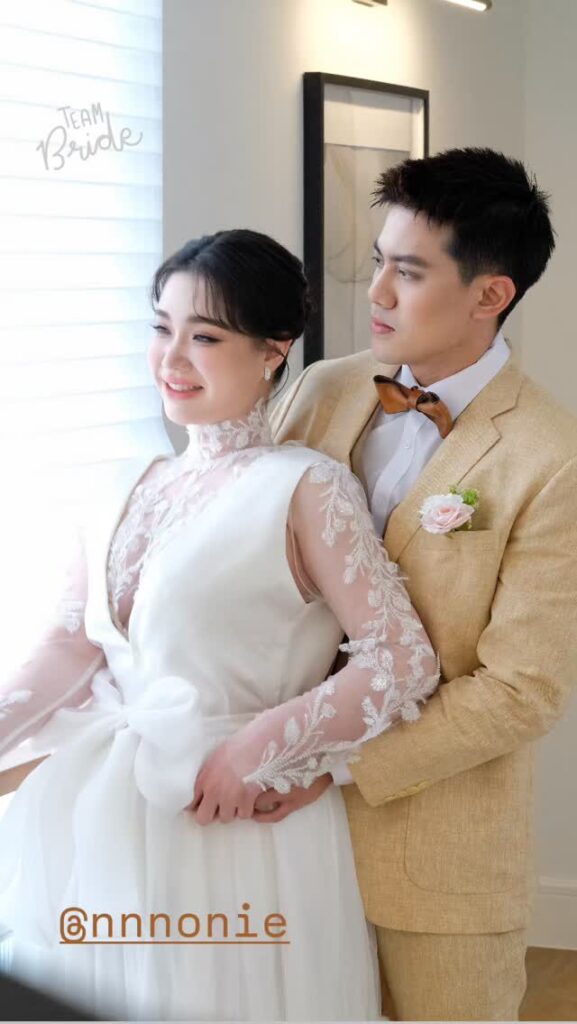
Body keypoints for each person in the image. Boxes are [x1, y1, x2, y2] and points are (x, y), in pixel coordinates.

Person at [0, 229, 439, 1021]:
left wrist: (256, 750)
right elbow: (69, 646)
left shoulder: (306, 487)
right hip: (105, 824)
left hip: (234, 826)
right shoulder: (123, 482)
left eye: (204, 337)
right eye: (160, 327)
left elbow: (400, 658)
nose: (172, 358)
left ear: (274, 350)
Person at [265, 147, 577, 1021]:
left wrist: (330, 764)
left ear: (490, 294)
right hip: (279, 843)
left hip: (436, 860)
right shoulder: (322, 390)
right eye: (377, 263)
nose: (376, 293)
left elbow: (521, 690)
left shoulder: (552, 456)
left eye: (407, 272)